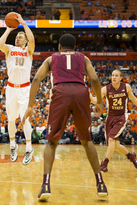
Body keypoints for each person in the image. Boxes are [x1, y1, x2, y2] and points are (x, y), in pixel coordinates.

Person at [22, 33, 108, 201]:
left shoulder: (51, 58)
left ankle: (45, 185)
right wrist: (98, 101)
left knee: (52, 142)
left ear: (59, 47)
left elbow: (37, 79)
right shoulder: (83, 58)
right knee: (86, 140)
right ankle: (101, 184)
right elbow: (95, 79)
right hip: (81, 93)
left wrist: (30, 106)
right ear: (74, 48)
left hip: (61, 93)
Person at [91, 69, 137, 172]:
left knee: (112, 140)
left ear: (121, 78)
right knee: (115, 145)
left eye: (116, 75)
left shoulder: (126, 87)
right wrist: (87, 94)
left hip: (121, 117)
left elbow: (134, 99)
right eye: (112, 75)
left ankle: (104, 164)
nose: (114, 77)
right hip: (110, 117)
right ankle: (131, 156)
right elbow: (95, 100)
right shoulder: (106, 89)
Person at [0, 13, 35, 165]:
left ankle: (29, 148)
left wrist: (24, 25)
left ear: (25, 40)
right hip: (11, 88)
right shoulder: (10, 49)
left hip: (25, 89)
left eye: (20, 37)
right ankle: (13, 145)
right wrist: (8, 29)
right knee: (11, 119)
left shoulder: (28, 51)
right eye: (17, 37)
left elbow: (32, 39)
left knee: (24, 118)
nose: (17, 38)